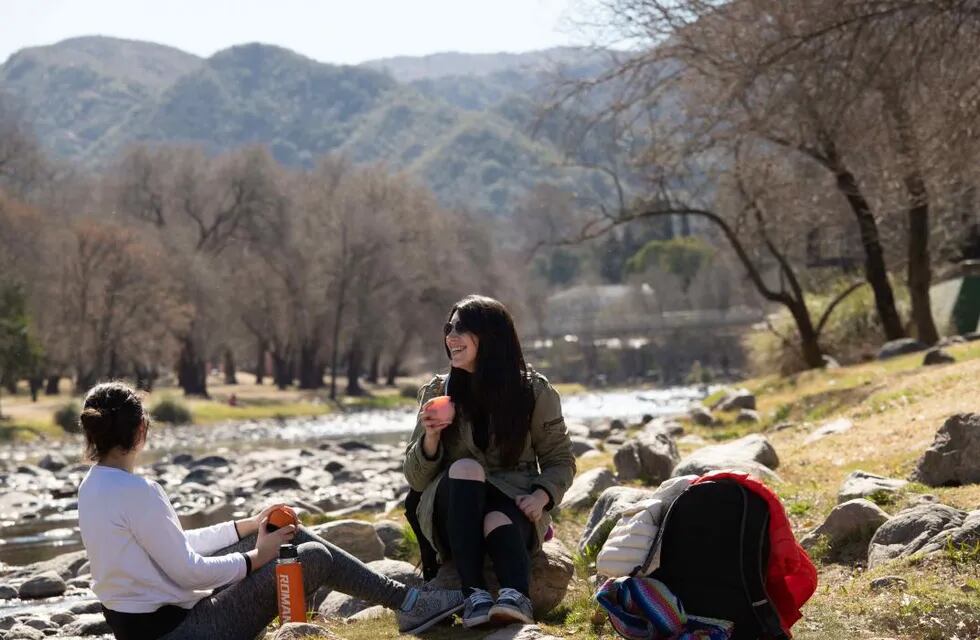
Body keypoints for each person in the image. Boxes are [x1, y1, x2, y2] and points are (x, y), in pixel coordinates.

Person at [76, 382, 464, 640]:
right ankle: (410, 602)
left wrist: (245, 526)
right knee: (311, 556)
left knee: (280, 529)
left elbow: (172, 544)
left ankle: (408, 601)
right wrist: (256, 558)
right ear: (141, 431)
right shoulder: (139, 491)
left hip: (145, 627)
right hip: (183, 631)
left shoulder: (92, 486)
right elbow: (186, 570)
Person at [403, 295, 576, 628]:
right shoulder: (438, 392)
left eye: (461, 329)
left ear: (492, 336)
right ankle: (474, 595)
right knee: (467, 469)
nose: (450, 337)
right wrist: (431, 437)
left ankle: (516, 597)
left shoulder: (534, 392)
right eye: (448, 328)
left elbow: (560, 459)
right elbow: (415, 480)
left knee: (496, 517)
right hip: (452, 507)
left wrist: (542, 496)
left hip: (513, 502)